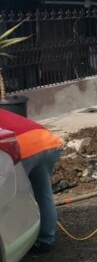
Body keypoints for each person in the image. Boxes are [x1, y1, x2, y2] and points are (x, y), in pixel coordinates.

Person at [0, 109, 63, 254]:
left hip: (24, 150)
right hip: (49, 142)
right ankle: (46, 239)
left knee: (13, 198)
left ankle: (18, 244)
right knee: (43, 192)